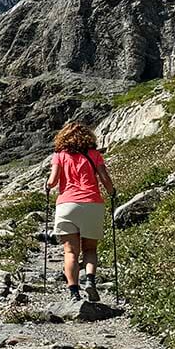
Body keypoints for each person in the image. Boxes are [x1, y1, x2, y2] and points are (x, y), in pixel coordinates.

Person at [45, 121, 115, 302]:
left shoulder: (59, 155)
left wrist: (47, 186)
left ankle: (74, 292)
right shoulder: (95, 155)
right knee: (90, 249)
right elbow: (105, 180)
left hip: (67, 205)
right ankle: (90, 280)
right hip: (92, 203)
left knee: (70, 252)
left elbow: (52, 182)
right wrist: (112, 192)